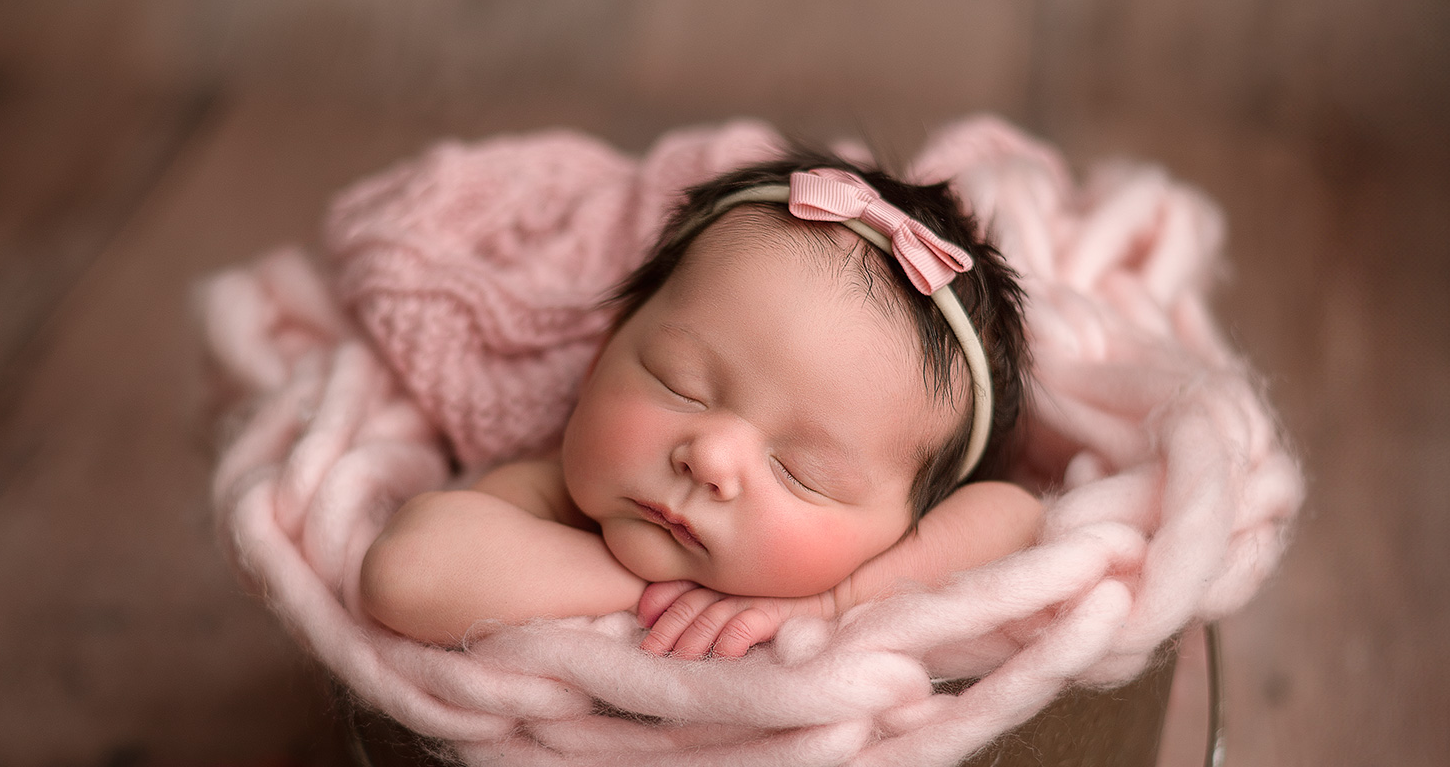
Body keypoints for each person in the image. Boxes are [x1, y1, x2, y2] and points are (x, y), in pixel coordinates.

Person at [360, 151, 1042, 660]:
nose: (710, 456)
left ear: (904, 524)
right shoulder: (553, 498)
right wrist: (653, 592)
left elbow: (1014, 517)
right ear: (601, 354)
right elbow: (405, 572)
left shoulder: (866, 567)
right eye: (679, 385)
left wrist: (830, 600)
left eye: (803, 471)